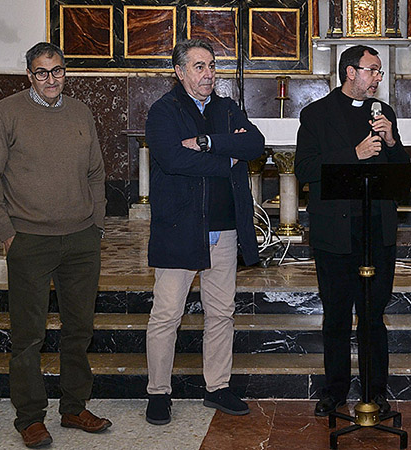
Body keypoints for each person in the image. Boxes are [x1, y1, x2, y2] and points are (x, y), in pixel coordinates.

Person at [0, 42, 110, 448]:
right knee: (29, 335)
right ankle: (30, 418)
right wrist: (7, 233)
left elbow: (97, 172)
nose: (51, 80)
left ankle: (73, 407)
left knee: (78, 330)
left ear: (65, 72)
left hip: (81, 239)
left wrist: (97, 226)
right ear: (29, 75)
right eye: (41, 72)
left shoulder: (81, 112)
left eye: (57, 71)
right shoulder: (7, 113)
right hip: (30, 240)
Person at [144, 39, 264, 425]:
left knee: (221, 312)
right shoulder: (163, 111)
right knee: (166, 315)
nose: (208, 73)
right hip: (179, 227)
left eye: (211, 65)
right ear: (179, 72)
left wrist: (208, 142)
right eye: (199, 66)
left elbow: (255, 144)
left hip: (224, 229)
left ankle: (217, 387)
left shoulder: (227, 109)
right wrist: (225, 160)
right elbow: (172, 159)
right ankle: (158, 392)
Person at [295, 45, 410, 417]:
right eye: (373, 70)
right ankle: (334, 390)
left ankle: (376, 391)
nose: (378, 77)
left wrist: (391, 141)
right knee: (338, 315)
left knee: (374, 316)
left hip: (376, 232)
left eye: (379, 71)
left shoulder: (384, 114)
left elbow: (401, 176)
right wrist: (353, 154)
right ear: (350, 72)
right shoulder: (316, 115)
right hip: (335, 234)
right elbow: (305, 168)